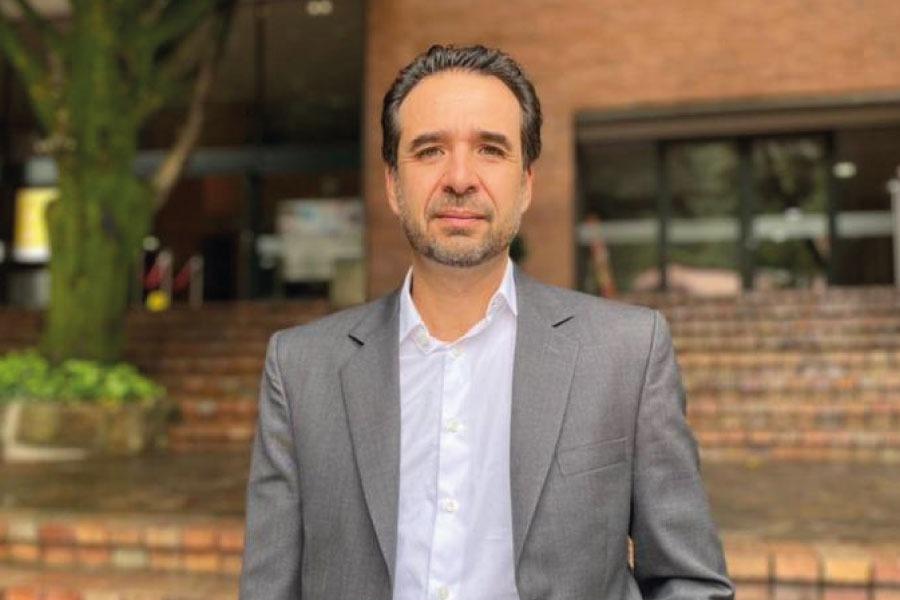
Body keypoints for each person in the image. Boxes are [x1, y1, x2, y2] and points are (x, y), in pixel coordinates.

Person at [239, 44, 734, 600]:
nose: (459, 178)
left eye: (490, 150)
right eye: (430, 150)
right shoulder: (300, 369)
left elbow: (689, 580)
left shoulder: (626, 353)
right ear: (392, 185)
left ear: (526, 184)